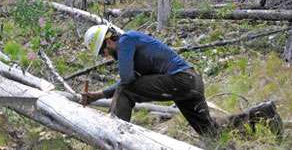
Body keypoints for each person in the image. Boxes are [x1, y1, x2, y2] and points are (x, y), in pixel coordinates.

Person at [80, 25, 282, 138]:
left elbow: (126, 81)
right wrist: (98, 95)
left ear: (108, 40)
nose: (106, 56)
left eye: (103, 51)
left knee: (124, 92)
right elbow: (130, 81)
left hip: (181, 80)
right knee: (210, 132)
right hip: (189, 83)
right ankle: (262, 112)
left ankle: (114, 138)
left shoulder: (126, 40)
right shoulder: (130, 47)